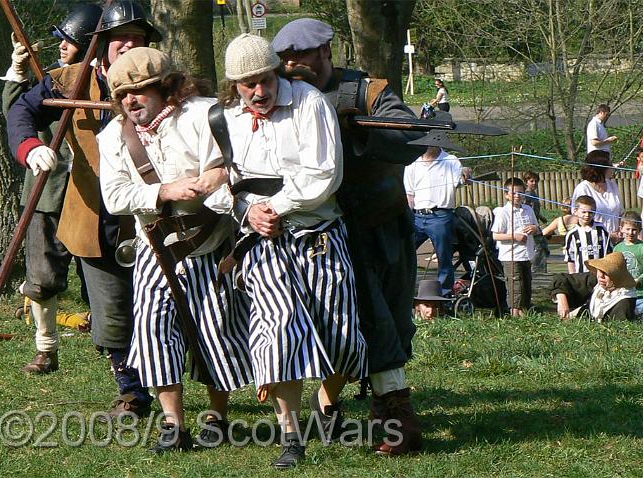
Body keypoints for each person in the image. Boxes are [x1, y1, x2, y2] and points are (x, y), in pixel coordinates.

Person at [272, 18, 428, 456]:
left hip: (385, 225)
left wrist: (359, 127)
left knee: (395, 321)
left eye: (299, 56)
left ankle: (369, 408)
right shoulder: (282, 95)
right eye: (285, 59)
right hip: (327, 233)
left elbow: (411, 138)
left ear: (325, 51)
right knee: (368, 324)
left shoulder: (368, 91)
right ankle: (393, 420)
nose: (291, 65)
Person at [6, 0, 161, 416]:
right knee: (111, 315)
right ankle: (131, 392)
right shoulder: (69, 80)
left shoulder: (168, 81)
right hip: (95, 216)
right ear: (102, 45)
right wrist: (30, 146)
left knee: (166, 309)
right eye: (119, 39)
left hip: (162, 216)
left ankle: (185, 391)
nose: (128, 46)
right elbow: (22, 110)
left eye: (138, 39)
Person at [219, 33, 367, 469]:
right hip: (262, 242)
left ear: (276, 73)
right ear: (235, 85)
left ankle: (327, 400)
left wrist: (275, 207)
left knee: (341, 336)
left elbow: (324, 175)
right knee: (277, 329)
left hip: (318, 235)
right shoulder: (223, 119)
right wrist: (247, 214)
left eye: (264, 80)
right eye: (247, 84)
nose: (258, 92)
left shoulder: (309, 104)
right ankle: (291, 436)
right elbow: (218, 185)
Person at [98, 47, 253, 452]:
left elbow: (231, 165)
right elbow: (115, 197)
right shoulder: (113, 136)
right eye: (123, 95)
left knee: (216, 332)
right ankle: (173, 426)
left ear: (166, 87)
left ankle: (217, 419)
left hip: (210, 243)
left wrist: (211, 179)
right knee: (153, 332)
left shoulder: (205, 115)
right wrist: (164, 190)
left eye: (140, 91)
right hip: (154, 246)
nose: (131, 101)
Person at [0, 3, 102, 373]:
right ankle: (46, 348)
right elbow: (17, 111)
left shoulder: (104, 82)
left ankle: (112, 347)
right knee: (41, 277)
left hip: (93, 194)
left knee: (103, 278)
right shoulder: (53, 80)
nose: (62, 46)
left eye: (71, 41)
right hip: (47, 191)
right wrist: (18, 71)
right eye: (61, 40)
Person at [404, 134, 468, 297]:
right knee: (405, 253)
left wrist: (466, 173)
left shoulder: (451, 160)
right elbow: (409, 195)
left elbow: (461, 179)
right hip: (417, 216)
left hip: (441, 216)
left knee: (444, 257)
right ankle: (405, 292)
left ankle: (444, 295)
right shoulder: (412, 162)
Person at [491, 177, 540, 317]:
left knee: (526, 285)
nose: (517, 196)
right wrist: (514, 236)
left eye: (520, 193)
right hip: (510, 256)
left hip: (526, 254)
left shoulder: (528, 209)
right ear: (506, 195)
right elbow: (496, 235)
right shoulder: (503, 212)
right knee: (515, 286)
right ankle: (514, 314)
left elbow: (537, 227)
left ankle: (524, 311)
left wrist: (534, 229)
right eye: (513, 193)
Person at [551, 252, 637, 321]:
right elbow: (561, 278)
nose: (601, 276)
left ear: (617, 276)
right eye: (600, 271)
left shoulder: (624, 302)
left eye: (606, 273)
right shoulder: (596, 280)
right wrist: (562, 301)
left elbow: (617, 330)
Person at [613, 212, 643, 321]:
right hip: (625, 294)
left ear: (639, 230)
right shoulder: (617, 248)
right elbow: (614, 268)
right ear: (621, 229)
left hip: (642, 294)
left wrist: (639, 280)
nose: (630, 232)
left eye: (634, 230)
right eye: (627, 229)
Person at [571, 150, 624, 239]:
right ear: (600, 168)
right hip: (594, 240)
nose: (612, 167)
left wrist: (621, 231)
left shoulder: (613, 186)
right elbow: (579, 218)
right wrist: (607, 235)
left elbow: (620, 213)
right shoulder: (583, 189)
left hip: (616, 241)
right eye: (609, 165)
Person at [564, 195, 613, 273]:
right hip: (581, 276)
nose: (587, 215)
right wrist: (573, 277)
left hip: (601, 275)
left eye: (590, 212)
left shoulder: (601, 229)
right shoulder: (572, 234)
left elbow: (609, 252)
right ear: (576, 211)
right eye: (584, 212)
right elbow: (570, 259)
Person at [522, 170, 549, 273]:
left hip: (536, 223)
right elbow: (525, 210)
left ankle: (539, 268)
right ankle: (537, 270)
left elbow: (533, 209)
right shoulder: (527, 195)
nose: (534, 183)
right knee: (540, 247)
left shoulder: (534, 194)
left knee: (541, 247)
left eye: (536, 181)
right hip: (530, 226)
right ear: (526, 182)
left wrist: (541, 217)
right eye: (531, 181)